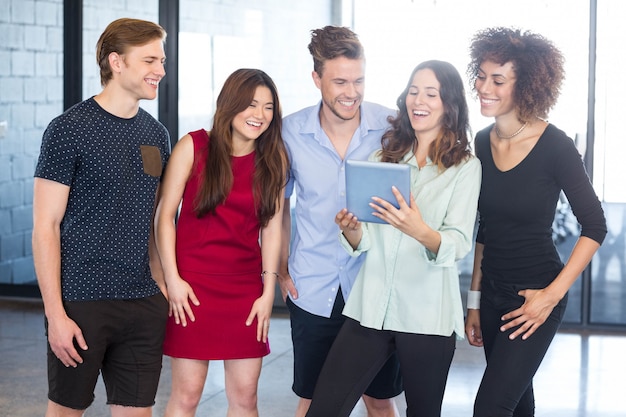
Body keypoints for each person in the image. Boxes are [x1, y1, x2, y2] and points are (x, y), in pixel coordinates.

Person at [305, 60, 482, 417]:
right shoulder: (382, 158)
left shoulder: (465, 167)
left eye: (431, 93)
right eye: (414, 90)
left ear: (449, 104)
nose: (419, 99)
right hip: (369, 308)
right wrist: (351, 227)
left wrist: (419, 229)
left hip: (427, 316)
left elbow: (459, 243)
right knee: (323, 409)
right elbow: (366, 239)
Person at [464, 27, 607, 416]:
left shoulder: (555, 145)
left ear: (525, 84)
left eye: (498, 80)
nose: (484, 87)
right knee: (518, 405)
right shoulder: (480, 141)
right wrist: (474, 302)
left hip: (534, 299)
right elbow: (485, 227)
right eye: (481, 75)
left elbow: (595, 226)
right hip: (492, 296)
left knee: (490, 408)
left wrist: (551, 296)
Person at [32, 18, 170, 417]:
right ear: (117, 62)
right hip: (81, 301)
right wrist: (55, 314)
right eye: (149, 60)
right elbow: (45, 227)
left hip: (142, 301)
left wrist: (159, 285)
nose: (160, 70)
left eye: (161, 60)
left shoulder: (156, 134)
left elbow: (153, 219)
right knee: (65, 411)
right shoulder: (68, 130)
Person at [279, 25, 403, 417]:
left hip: (376, 287)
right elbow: (279, 206)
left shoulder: (393, 127)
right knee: (314, 401)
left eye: (359, 80)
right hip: (313, 287)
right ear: (316, 78)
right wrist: (280, 269)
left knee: (379, 400)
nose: (351, 92)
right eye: (340, 82)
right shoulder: (289, 132)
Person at [155, 68, 288, 417]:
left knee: (245, 399)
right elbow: (164, 217)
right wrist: (173, 280)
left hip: (245, 291)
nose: (259, 115)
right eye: (251, 104)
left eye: (268, 107)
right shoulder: (193, 146)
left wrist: (267, 291)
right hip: (192, 290)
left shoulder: (273, 159)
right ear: (231, 104)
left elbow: (272, 228)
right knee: (187, 396)